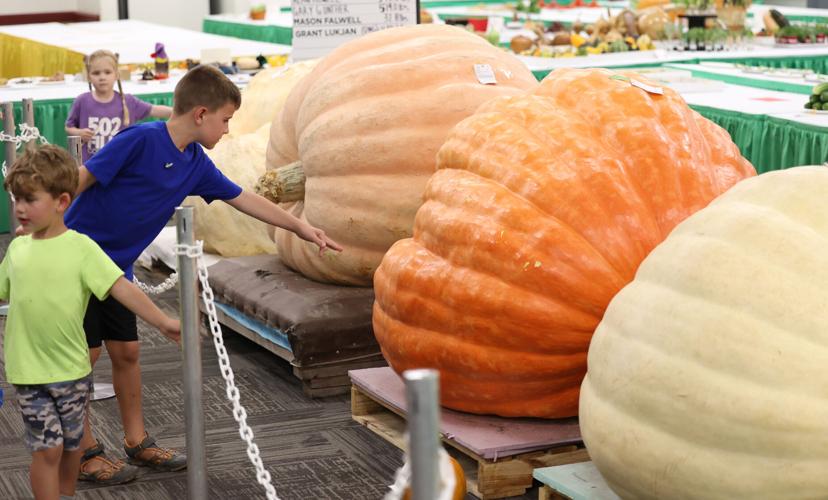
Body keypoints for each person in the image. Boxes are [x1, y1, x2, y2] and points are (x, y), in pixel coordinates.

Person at [63, 64, 343, 484]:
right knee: (85, 358)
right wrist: (50, 229)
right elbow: (83, 178)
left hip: (117, 271)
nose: (228, 130)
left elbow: (242, 198)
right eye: (225, 119)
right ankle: (84, 452)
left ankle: (137, 441)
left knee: (127, 353)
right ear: (200, 114)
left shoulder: (195, 163)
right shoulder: (139, 139)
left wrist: (300, 225)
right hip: (78, 263)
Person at [0, 146, 180, 500]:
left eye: (29, 199)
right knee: (46, 449)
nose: (19, 207)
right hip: (29, 372)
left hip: (72, 369)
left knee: (70, 447)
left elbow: (121, 288)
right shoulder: (17, 250)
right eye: (16, 198)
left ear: (61, 201)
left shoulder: (82, 248)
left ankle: (65, 492)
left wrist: (162, 321)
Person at [65, 50, 172, 164]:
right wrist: (79, 133)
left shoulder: (128, 101)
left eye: (107, 72)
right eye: (96, 73)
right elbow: (68, 127)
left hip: (121, 167)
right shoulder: (82, 101)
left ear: (116, 74)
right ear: (89, 76)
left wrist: (180, 111)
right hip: (90, 168)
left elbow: (153, 110)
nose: (102, 77)